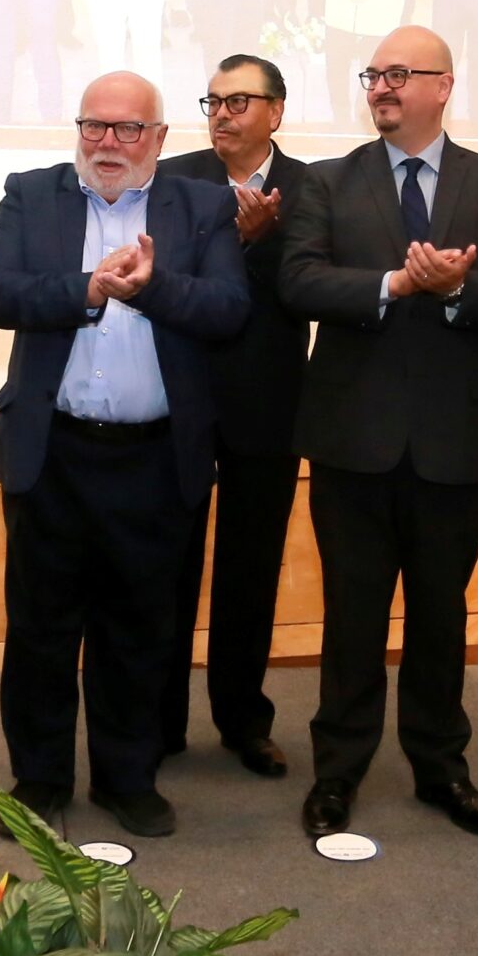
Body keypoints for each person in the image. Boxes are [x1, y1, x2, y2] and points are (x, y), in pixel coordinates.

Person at [280, 27, 478, 841]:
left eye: (400, 74)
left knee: (441, 615)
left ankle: (442, 769)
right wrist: (396, 283)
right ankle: (338, 771)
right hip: (351, 439)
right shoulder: (328, 181)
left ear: (444, 85)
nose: (382, 87)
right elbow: (299, 281)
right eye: (374, 74)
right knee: (352, 615)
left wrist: (460, 289)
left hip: (455, 441)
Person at [0, 73, 250, 837]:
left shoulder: (202, 207)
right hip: (53, 452)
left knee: (140, 628)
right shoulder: (33, 194)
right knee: (41, 630)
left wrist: (152, 288)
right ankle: (39, 781)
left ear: (159, 138)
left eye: (128, 129)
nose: (108, 143)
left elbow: (229, 309)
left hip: (155, 459)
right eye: (94, 125)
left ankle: (127, 779)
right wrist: (87, 290)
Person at [157, 54, 312, 776]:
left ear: (275, 112)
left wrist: (263, 242)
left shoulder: (311, 187)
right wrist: (236, 240)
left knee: (251, 567)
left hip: (268, 401)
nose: (222, 114)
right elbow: (160, 277)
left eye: (239, 101)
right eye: (213, 101)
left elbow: (310, 287)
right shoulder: (172, 179)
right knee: (168, 565)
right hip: (178, 395)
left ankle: (243, 720)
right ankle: (158, 720)